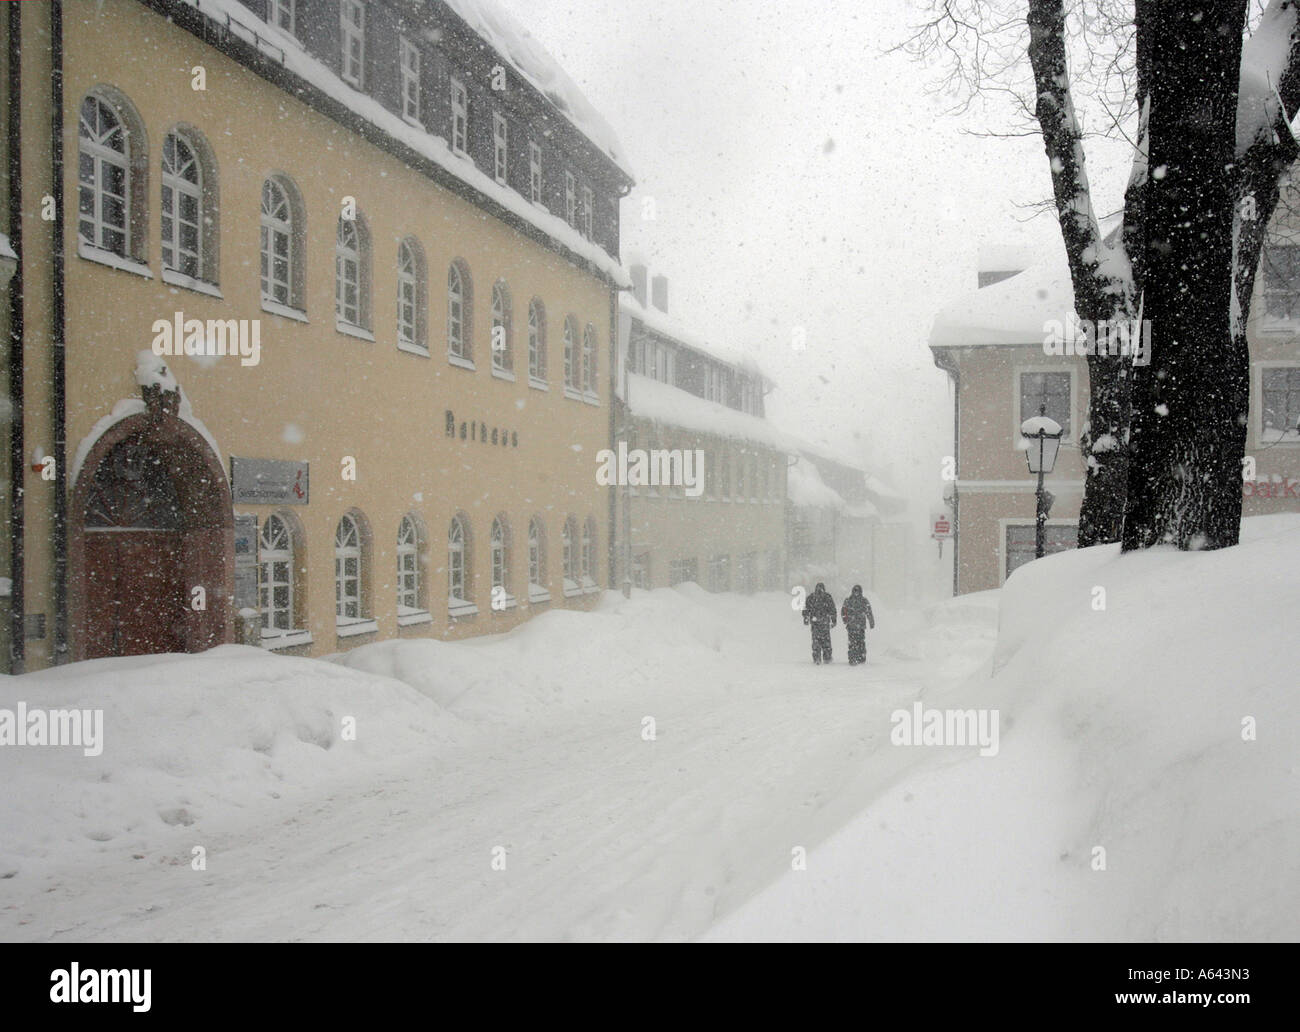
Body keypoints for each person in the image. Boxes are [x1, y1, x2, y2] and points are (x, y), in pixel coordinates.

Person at [802, 582, 837, 665]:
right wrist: (833, 620)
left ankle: (817, 657)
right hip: (825, 623)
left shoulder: (811, 597)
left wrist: (806, 618)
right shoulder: (827, 597)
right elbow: (832, 609)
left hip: (815, 623)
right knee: (826, 641)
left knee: (816, 641)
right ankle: (827, 657)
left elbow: (806, 609)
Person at [841, 585, 875, 666]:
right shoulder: (851, 600)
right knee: (854, 643)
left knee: (859, 642)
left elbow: (869, 612)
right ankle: (854, 658)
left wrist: (871, 621)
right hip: (853, 626)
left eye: (857, 591)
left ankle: (860, 658)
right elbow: (843, 611)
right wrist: (846, 620)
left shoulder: (861, 601)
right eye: (855, 591)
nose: (856, 593)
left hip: (859, 626)